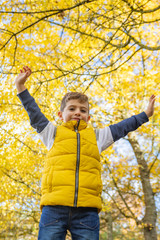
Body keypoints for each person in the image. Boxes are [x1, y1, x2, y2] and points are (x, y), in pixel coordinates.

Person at [15, 66, 156, 240]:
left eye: (83, 110)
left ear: (88, 117)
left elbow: (123, 127)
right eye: (72, 109)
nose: (77, 113)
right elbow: (34, 113)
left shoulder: (98, 137)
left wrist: (146, 114)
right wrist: (20, 87)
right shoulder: (52, 133)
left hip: (86, 211)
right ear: (61, 114)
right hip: (54, 207)